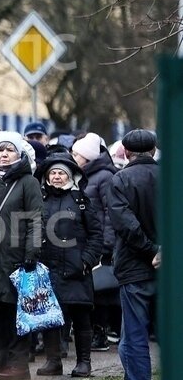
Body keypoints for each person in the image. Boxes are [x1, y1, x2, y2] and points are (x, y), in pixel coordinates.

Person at [0, 131, 43, 380]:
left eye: (9, 150)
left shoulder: (28, 182)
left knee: (18, 313)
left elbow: (37, 218)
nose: (3, 154)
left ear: (20, 154)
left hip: (17, 256)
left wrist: (32, 252)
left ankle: (18, 364)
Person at [34, 153, 103, 377]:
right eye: (52, 173)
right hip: (48, 269)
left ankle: (84, 362)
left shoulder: (81, 200)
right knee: (51, 318)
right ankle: (54, 361)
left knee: (81, 316)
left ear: (69, 176)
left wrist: (86, 261)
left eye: (60, 173)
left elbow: (96, 235)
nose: (56, 177)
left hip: (77, 269)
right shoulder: (40, 200)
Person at [107, 129, 159, 380]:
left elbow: (126, 225)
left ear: (125, 153)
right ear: (154, 151)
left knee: (136, 335)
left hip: (134, 268)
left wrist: (151, 251)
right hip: (170, 268)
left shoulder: (120, 180)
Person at [71, 132, 119, 351]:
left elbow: (110, 213)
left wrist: (107, 243)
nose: (73, 157)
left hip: (99, 241)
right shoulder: (82, 175)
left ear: (87, 156)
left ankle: (100, 332)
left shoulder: (104, 176)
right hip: (85, 240)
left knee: (100, 290)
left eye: (76, 154)